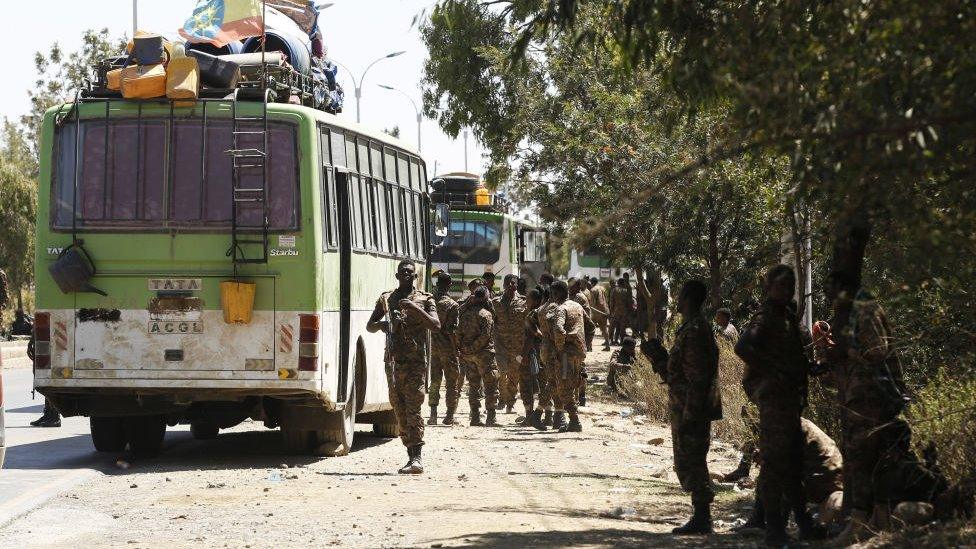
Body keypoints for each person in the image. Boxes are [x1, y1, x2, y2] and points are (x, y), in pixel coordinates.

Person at [820, 271, 948, 544]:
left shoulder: (864, 311)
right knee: (867, 458)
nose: (831, 302)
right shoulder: (855, 313)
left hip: (874, 398)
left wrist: (844, 350)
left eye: (832, 295)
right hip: (863, 398)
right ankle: (869, 520)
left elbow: (876, 351)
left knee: (869, 458)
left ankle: (866, 522)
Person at [736, 265, 822, 546]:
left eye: (790, 285)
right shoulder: (767, 316)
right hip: (774, 401)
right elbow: (743, 347)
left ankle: (803, 523)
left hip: (789, 401)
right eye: (781, 285)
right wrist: (774, 371)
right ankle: (773, 529)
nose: (786, 290)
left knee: (793, 465)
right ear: (769, 287)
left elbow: (789, 356)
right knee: (775, 465)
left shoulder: (787, 318)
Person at [366, 260, 440, 474]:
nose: (407, 275)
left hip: (416, 363)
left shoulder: (425, 299)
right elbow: (370, 326)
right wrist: (384, 325)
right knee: (399, 409)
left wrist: (415, 308)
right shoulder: (387, 299)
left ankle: (417, 457)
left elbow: (436, 325)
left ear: (415, 276)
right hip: (393, 362)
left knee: (413, 408)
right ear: (397, 275)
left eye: (410, 272)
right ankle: (410, 455)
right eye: (403, 272)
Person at [667, 279, 722, 535]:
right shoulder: (690, 328)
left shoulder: (696, 329)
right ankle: (700, 515)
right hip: (685, 403)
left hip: (692, 406)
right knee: (687, 459)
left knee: (693, 459)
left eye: (680, 295)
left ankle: (703, 517)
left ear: (687, 297)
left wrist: (691, 410)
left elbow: (698, 376)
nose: (677, 299)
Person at [737, 417, 845, 531]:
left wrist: (766, 455)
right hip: (828, 474)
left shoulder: (786, 424)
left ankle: (777, 526)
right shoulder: (795, 422)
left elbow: (784, 460)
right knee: (776, 469)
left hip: (822, 477)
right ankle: (764, 521)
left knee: (775, 473)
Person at [457, 286, 500, 426]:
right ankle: (491, 418)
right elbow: (485, 336)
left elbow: (458, 333)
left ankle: (475, 417)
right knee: (491, 385)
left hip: (469, 356)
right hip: (484, 355)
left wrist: (465, 349)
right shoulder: (486, 315)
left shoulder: (464, 314)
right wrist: (473, 349)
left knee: (474, 385)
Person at [550, 280, 587, 433]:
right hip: (579, 352)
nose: (552, 296)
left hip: (566, 353)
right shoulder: (577, 305)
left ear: (558, 293)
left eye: (553, 293)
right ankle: (573, 418)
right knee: (574, 384)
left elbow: (559, 329)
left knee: (564, 387)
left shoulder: (561, 309)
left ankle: (574, 420)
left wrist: (559, 347)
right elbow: (589, 324)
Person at [428, 271, 461, 426]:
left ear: (437, 284)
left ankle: (433, 415)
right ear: (450, 285)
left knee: (434, 381)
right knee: (451, 383)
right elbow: (451, 331)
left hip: (433, 348)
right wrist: (457, 350)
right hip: (448, 349)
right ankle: (449, 415)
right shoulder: (452, 305)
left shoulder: (429, 302)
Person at [493, 274, 529, 414]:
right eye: (508, 283)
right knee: (501, 373)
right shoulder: (496, 302)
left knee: (514, 375)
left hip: (517, 346)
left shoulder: (523, 302)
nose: (511, 286)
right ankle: (502, 398)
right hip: (500, 345)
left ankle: (510, 403)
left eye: (514, 283)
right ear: (504, 285)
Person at [521, 287, 548, 430]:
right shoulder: (546, 312)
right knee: (544, 384)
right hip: (544, 353)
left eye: (528, 299)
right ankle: (548, 416)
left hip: (532, 354)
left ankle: (529, 416)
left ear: (535, 300)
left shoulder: (532, 314)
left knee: (526, 384)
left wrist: (522, 355)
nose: (526, 301)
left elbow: (530, 337)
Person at [588, 277, 612, 351]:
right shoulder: (602, 288)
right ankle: (607, 346)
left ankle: (589, 346)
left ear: (592, 282)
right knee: (604, 329)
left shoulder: (592, 290)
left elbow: (593, 303)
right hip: (604, 311)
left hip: (597, 312)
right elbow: (606, 300)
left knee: (590, 328)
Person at [609, 278, 633, 345]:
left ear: (618, 283)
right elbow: (629, 302)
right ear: (623, 283)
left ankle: (613, 341)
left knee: (613, 326)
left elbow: (611, 302)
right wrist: (629, 311)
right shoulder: (626, 291)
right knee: (622, 327)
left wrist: (611, 311)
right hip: (624, 312)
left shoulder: (614, 290)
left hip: (615, 311)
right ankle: (621, 341)